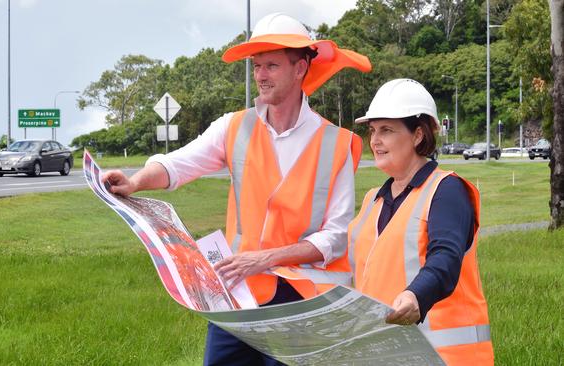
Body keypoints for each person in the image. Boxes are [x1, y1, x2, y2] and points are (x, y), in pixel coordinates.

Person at [102, 12, 371, 366]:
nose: (260, 75)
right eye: (257, 66)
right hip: (235, 292)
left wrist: (266, 258)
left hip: (301, 297)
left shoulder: (337, 144)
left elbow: (336, 237)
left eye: (271, 65)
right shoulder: (234, 126)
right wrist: (135, 181)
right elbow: (179, 164)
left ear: (301, 68)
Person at [348, 79, 494, 365]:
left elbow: (446, 257)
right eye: (372, 131)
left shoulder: (447, 190)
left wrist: (416, 296)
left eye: (386, 130)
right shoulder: (372, 201)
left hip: (446, 357)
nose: (375, 141)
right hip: (389, 355)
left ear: (417, 135)